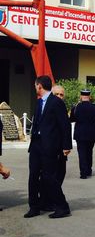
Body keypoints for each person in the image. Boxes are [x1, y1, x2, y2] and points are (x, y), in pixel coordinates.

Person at [25, 75, 73, 219]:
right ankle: (34, 206)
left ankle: (62, 207)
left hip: (50, 146)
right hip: (36, 145)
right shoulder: (39, 103)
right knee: (33, 175)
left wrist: (66, 146)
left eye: (35, 86)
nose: (35, 88)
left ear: (39, 86)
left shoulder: (56, 102)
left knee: (49, 177)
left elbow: (65, 125)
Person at [70, 89, 95, 179]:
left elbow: (71, 119)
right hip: (91, 134)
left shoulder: (76, 107)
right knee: (89, 152)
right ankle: (89, 170)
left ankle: (83, 173)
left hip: (80, 134)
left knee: (81, 153)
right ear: (89, 97)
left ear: (81, 97)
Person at [51, 85, 69, 187]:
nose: (59, 96)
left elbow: (66, 127)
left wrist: (66, 146)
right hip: (51, 147)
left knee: (61, 173)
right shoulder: (48, 107)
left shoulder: (62, 108)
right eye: (56, 94)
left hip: (60, 148)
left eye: (61, 95)